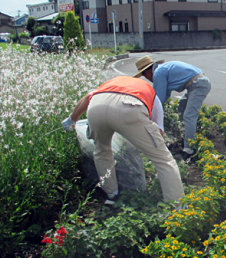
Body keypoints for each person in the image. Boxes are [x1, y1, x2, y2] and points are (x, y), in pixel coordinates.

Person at [61, 76, 184, 205]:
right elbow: (158, 131)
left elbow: (88, 97)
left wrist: (71, 120)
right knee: (164, 159)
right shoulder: (152, 96)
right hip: (130, 107)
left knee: (101, 151)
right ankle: (176, 205)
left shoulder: (110, 84)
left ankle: (111, 195)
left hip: (96, 106)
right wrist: (151, 149)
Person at [134, 55, 211, 160]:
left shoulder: (158, 73)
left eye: (144, 76)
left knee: (189, 116)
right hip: (196, 84)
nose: (147, 79)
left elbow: (158, 100)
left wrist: (148, 115)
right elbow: (165, 95)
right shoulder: (163, 69)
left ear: (146, 72)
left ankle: (189, 150)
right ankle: (186, 135)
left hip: (198, 85)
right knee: (181, 107)